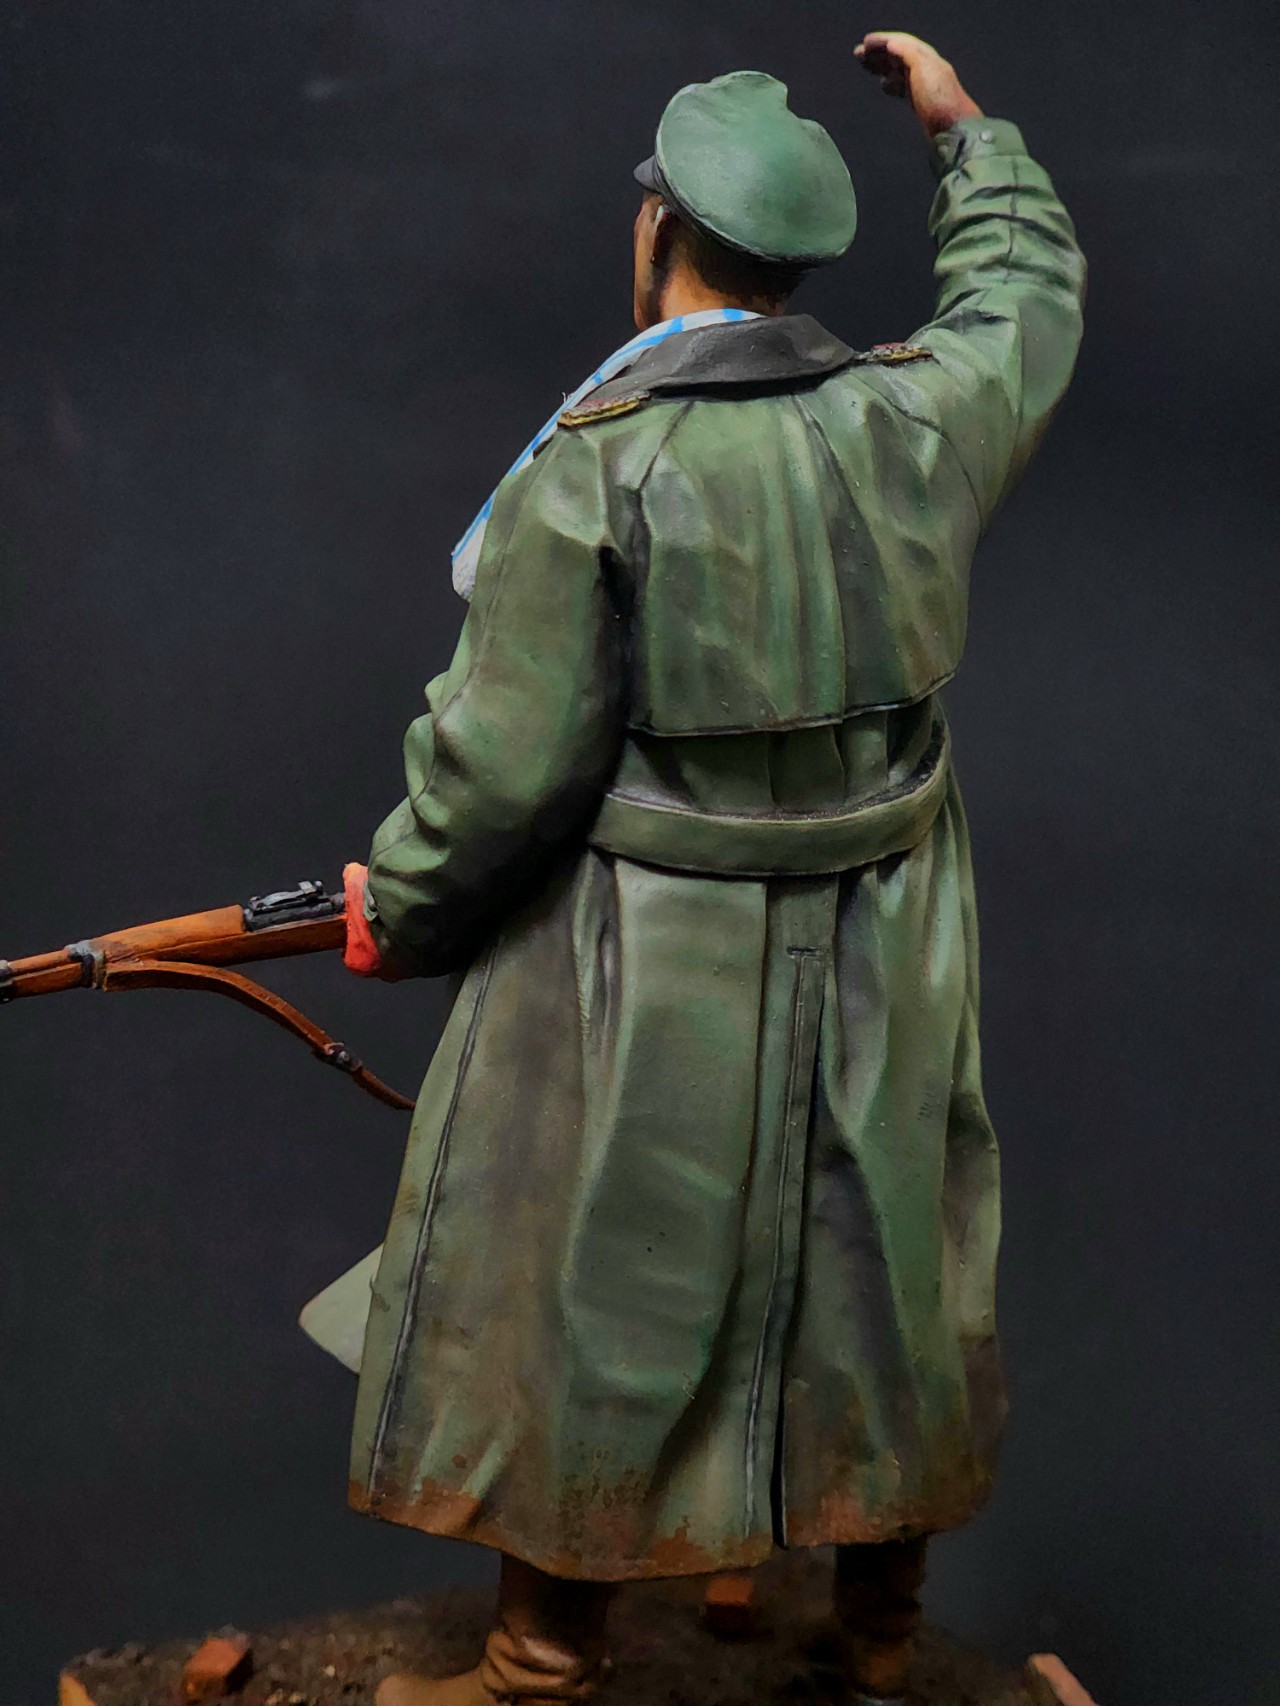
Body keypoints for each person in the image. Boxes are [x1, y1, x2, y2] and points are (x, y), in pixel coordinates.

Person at [341, 29, 1085, 1706]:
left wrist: (409, 901)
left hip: (650, 949)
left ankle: (539, 1659)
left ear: (657, 229)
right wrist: (967, 136)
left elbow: (496, 766)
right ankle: (879, 1627)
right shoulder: (917, 415)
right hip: (892, 930)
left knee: (590, 1272)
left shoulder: (595, 470)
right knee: (889, 1270)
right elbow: (1026, 300)